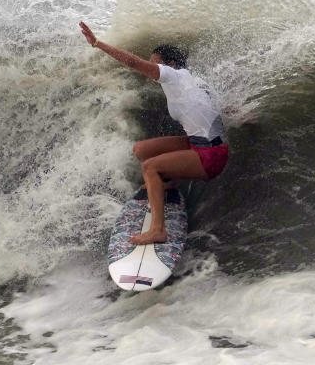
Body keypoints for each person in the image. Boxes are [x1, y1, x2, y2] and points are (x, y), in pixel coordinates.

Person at [79, 21, 229, 245]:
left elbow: (133, 62)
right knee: (142, 150)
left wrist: (98, 44)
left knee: (149, 167)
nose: (151, 68)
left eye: (155, 63)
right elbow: (219, 107)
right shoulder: (194, 80)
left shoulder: (173, 76)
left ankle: (158, 230)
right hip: (200, 144)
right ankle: (169, 182)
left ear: (171, 64)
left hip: (210, 156)